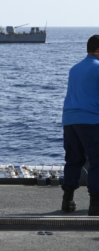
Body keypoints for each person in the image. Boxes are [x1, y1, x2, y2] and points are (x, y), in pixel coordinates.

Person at [61, 35, 99, 216]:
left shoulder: (74, 69)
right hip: (90, 121)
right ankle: (95, 204)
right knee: (97, 161)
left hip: (69, 121)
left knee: (73, 160)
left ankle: (67, 200)